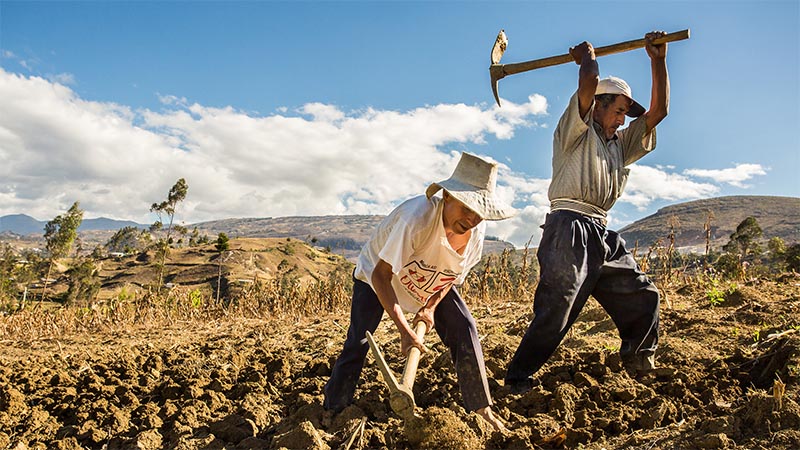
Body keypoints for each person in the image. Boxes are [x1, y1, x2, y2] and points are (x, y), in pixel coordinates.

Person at [504, 31, 670, 393]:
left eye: (626, 114)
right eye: (619, 111)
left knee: (643, 294)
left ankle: (639, 362)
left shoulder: (619, 145)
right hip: (568, 226)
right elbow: (590, 80)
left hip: (602, 232)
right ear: (598, 105)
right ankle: (517, 377)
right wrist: (587, 59)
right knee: (559, 304)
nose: (623, 121)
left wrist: (658, 60)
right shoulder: (574, 132)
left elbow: (658, 112)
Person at [323, 152, 514, 431]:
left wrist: (429, 308)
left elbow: (451, 276)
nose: (472, 218)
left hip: (428, 282)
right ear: (447, 196)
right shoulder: (417, 219)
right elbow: (381, 275)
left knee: (465, 327)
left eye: (479, 212)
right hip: (377, 277)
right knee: (359, 341)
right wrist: (403, 329)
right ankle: (334, 409)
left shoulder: (476, 233)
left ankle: (481, 409)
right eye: (466, 207)